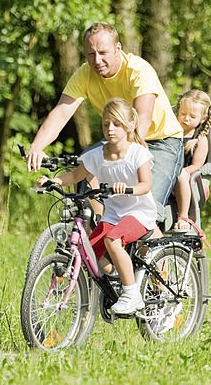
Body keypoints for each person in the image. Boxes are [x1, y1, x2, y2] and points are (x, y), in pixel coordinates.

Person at [26, 23, 184, 225]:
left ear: (118, 49)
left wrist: (127, 157)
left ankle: (154, 252)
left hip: (161, 141)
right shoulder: (85, 74)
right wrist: (37, 147)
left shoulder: (138, 70)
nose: (97, 60)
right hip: (118, 140)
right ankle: (101, 230)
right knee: (84, 169)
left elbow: (142, 118)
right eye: (90, 54)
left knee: (144, 210)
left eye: (103, 52)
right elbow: (61, 113)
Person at [38, 98, 158, 315]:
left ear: (130, 125)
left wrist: (128, 189)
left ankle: (132, 294)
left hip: (139, 213)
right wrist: (54, 181)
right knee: (89, 252)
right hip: (114, 214)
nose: (110, 129)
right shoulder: (96, 155)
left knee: (112, 240)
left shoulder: (137, 153)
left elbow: (146, 185)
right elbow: (76, 175)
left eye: (117, 124)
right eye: (106, 124)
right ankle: (118, 277)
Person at [172, 89, 211, 232]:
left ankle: (183, 216)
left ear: (202, 119)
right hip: (169, 178)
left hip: (192, 182)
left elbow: (196, 165)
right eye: (183, 114)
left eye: (192, 116)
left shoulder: (199, 139)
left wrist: (180, 171)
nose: (186, 118)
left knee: (181, 174)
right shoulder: (171, 133)